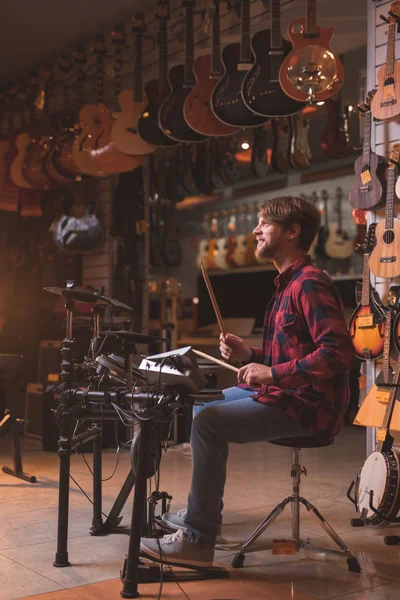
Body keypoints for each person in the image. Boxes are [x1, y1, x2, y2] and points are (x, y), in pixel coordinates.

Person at [140, 195, 355, 567]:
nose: (255, 230)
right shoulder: (285, 286)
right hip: (285, 391)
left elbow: (338, 353)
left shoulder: (309, 283)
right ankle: (204, 514)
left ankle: (197, 540)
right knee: (203, 402)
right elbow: (288, 354)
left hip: (306, 405)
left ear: (291, 232)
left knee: (208, 422)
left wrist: (270, 373)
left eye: (264, 224)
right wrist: (250, 356)